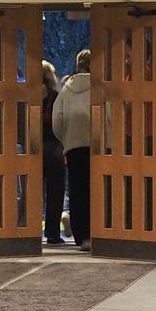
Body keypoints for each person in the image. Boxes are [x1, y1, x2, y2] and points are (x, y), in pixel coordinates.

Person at [51, 48, 93, 249]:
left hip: (74, 147)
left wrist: (65, 139)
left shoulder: (67, 90)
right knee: (97, 190)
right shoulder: (100, 87)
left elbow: (56, 120)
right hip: (98, 147)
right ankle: (99, 233)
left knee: (77, 191)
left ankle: (81, 235)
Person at [40, 59, 67, 246]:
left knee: (31, 193)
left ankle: (24, 230)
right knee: (55, 193)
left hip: (33, 149)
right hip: (55, 149)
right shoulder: (57, 97)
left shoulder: (26, 96)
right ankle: (52, 232)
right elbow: (61, 123)